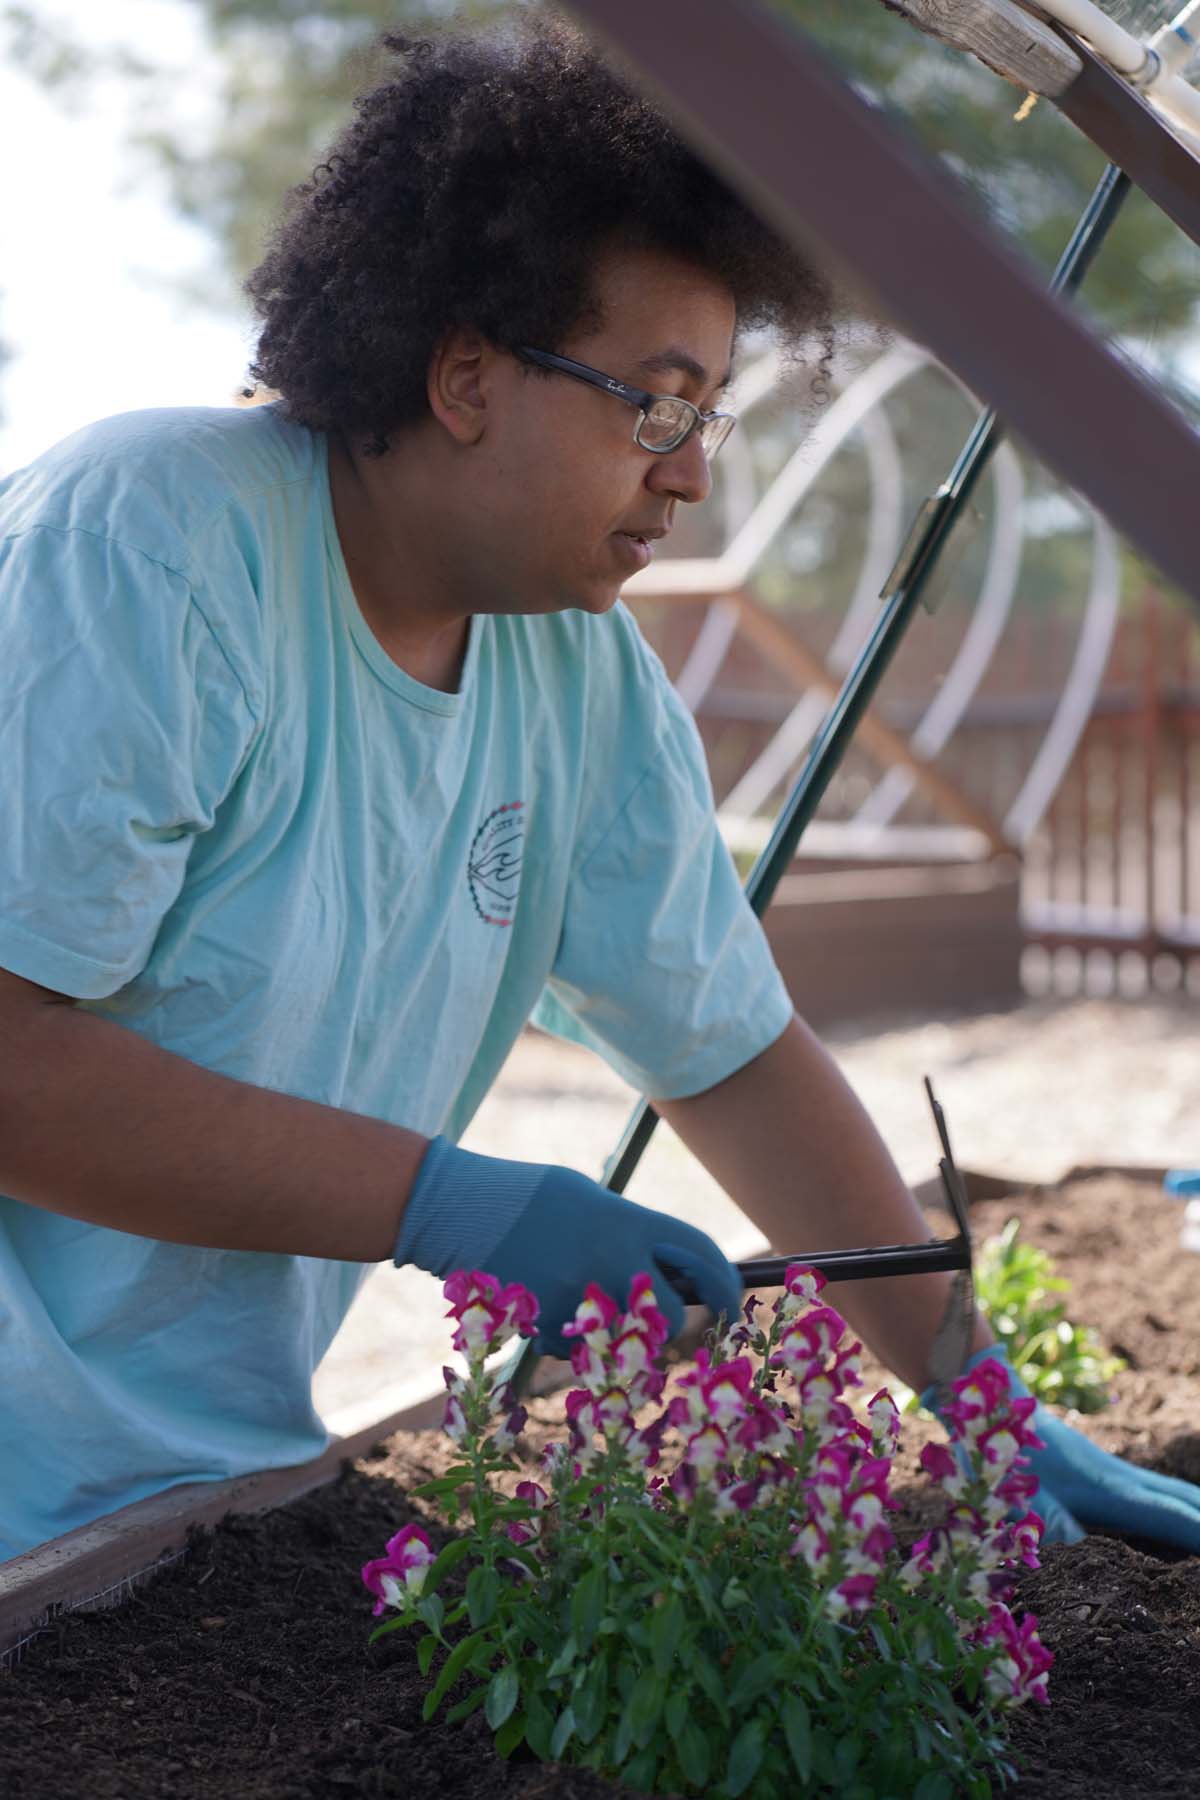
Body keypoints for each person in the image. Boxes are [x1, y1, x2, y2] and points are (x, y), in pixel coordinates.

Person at [0, 16, 1196, 1563]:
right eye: (656, 403)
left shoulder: (580, 677)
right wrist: (455, 1207)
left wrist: (978, 1402)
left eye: (706, 420)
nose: (690, 472)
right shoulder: (152, 544)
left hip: (201, 1497)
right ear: (465, 377)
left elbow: (737, 1057)